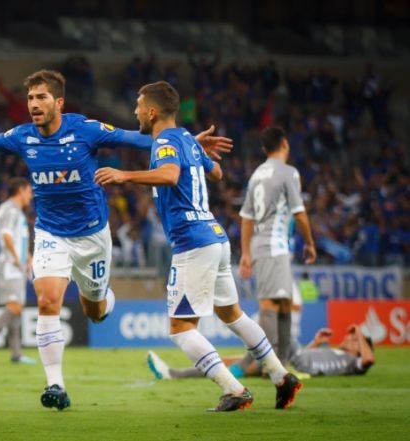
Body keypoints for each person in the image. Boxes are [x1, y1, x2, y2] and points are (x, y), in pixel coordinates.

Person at [0, 70, 232, 411]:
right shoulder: (23, 137)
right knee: (48, 301)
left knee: (94, 311)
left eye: (41, 97)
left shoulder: (84, 129)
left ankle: (102, 298)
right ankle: (55, 385)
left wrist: (189, 143)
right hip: (51, 233)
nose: (34, 104)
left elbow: (132, 138)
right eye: (31, 98)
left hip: (93, 236)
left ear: (58, 102)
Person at [94, 81, 301, 411]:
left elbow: (170, 175)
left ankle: (233, 389)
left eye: (138, 105)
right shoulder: (184, 138)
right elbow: (217, 172)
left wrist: (124, 175)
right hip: (215, 237)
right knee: (232, 314)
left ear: (152, 111)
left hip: (193, 241)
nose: (134, 111)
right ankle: (280, 375)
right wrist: (195, 150)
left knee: (179, 329)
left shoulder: (165, 141)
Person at [238, 127, 317, 365]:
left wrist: (245, 253)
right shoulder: (288, 172)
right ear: (285, 144)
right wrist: (310, 243)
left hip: (263, 246)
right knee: (271, 304)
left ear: (264, 149)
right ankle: (269, 364)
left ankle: (281, 363)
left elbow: (246, 218)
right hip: (274, 246)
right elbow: (300, 213)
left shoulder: (256, 175)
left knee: (284, 302)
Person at [147, 324, 375, 380]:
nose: (348, 338)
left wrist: (361, 337)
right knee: (225, 362)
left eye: (353, 340)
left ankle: (241, 370)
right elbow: (305, 355)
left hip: (297, 365)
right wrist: (316, 342)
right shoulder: (333, 351)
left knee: (274, 326)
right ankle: (174, 374)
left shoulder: (353, 362)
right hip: (293, 362)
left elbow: (369, 359)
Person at [0, 177, 36, 365]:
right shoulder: (9, 209)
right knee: (15, 306)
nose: (31, 195)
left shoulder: (18, 212)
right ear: (20, 190)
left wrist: (27, 258)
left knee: (17, 308)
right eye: (29, 190)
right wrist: (17, 259)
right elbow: (6, 236)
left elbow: (19, 240)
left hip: (17, 265)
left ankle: (16, 354)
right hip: (10, 265)